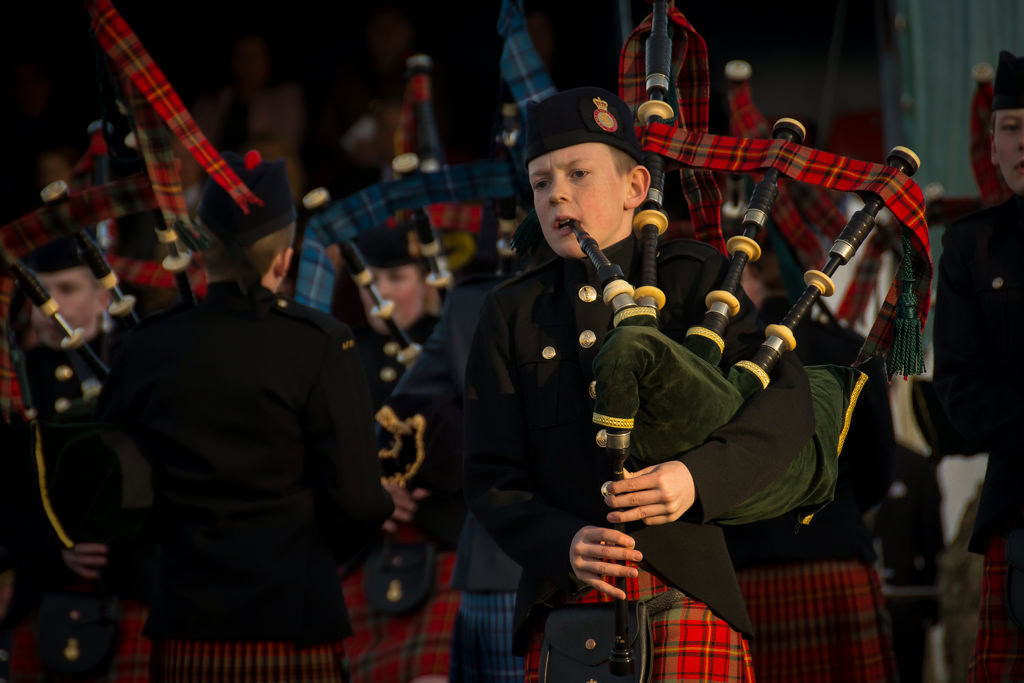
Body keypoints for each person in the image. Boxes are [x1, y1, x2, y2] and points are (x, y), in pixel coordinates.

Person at [463, 86, 814, 681]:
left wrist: (694, 478)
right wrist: (562, 543)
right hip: (566, 604)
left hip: (687, 591)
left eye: (578, 173)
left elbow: (785, 406)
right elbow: (490, 473)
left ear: (635, 189)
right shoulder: (511, 311)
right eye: (542, 182)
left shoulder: (693, 278)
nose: (558, 195)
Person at [96, 149, 393, 681]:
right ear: (284, 259)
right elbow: (361, 503)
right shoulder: (321, 344)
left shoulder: (146, 347)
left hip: (184, 622)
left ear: (201, 252)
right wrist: (308, 554)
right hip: (294, 619)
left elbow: (113, 487)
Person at [724, 240, 901, 682]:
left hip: (747, 569)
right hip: (836, 560)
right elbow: (880, 471)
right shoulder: (851, 349)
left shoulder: (721, 355)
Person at [933, 49, 1024, 681]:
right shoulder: (971, 246)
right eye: (1012, 127)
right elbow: (960, 389)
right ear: (991, 146)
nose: (1023, 142)